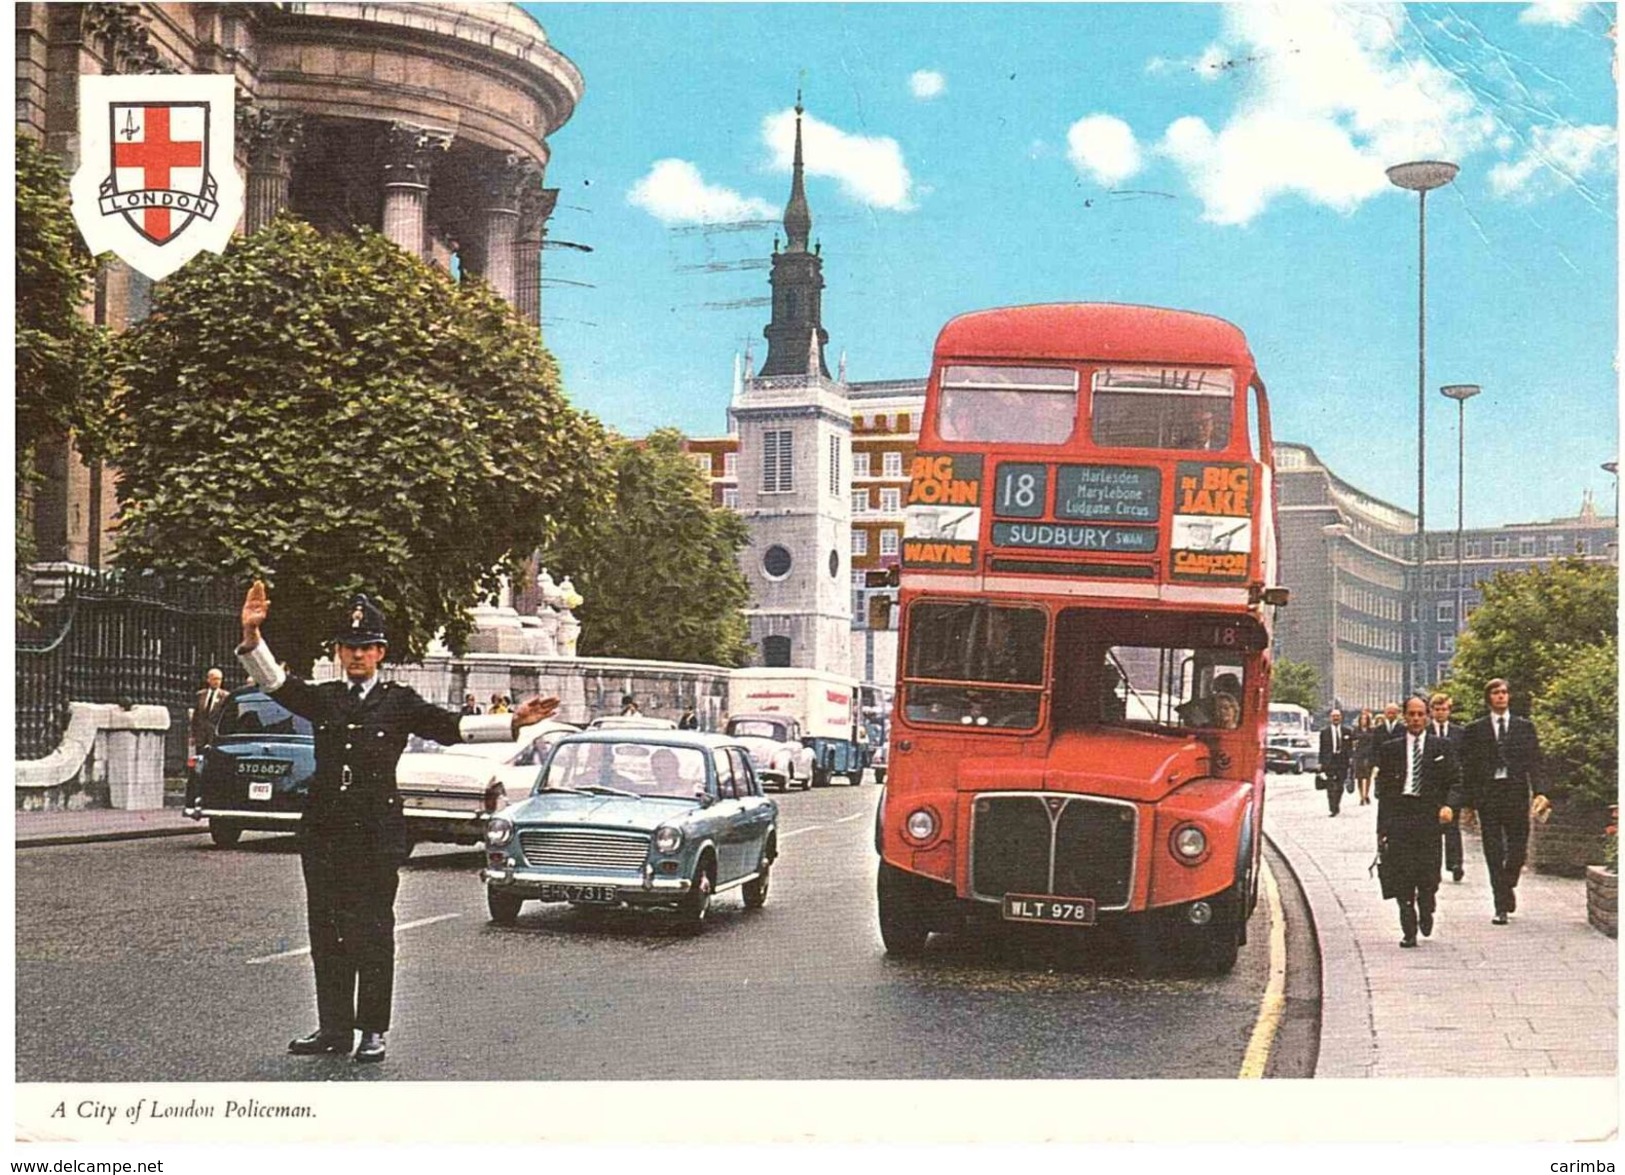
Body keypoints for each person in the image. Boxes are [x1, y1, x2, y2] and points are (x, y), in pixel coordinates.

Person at [235, 581, 558, 1063]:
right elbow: (276, 685)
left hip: (374, 833)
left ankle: (371, 1029)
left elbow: (451, 728)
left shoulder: (397, 701)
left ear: (380, 652)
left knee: (371, 930)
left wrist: (514, 721)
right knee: (327, 930)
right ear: (339, 652)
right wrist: (252, 635)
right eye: (349, 647)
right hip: (325, 832)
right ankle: (333, 1028)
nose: (357, 655)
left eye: (366, 647)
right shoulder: (324, 698)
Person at [1374, 696, 1464, 948]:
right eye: (1411, 714)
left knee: (1428, 873)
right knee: (1402, 871)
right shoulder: (1390, 749)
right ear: (1404, 716)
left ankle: (1427, 904)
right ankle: (1408, 925)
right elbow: (1383, 791)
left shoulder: (1442, 747)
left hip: (1429, 815)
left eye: (1420, 714)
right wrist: (1382, 829)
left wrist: (1449, 805)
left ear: (1427, 716)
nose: (1415, 719)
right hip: (1400, 815)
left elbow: (1456, 781)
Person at [1461, 678, 1550, 924]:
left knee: (1518, 847)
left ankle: (1508, 882)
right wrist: (1467, 803)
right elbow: (1467, 768)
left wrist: (1541, 791)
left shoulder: (1524, 727)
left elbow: (1535, 762)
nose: (1500, 696)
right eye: (1495, 693)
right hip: (1488, 795)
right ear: (1488, 698)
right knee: (1492, 848)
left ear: (1509, 697)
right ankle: (1500, 903)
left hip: (1515, 792)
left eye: (1504, 692)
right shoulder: (1475, 730)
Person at [1429, 692, 1467, 881]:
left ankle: (1455, 863)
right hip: (1431, 787)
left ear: (1449, 711)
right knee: (1433, 828)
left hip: (1453, 785)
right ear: (1431, 711)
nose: (1441, 713)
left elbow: (1465, 759)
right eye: (1437, 710)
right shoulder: (1426, 731)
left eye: (1444, 709)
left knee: (1453, 826)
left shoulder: (1459, 733)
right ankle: (1433, 865)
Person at [186, 668, 229, 808]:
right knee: (199, 766)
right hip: (201, 737)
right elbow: (196, 717)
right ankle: (196, 796)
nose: (217, 682)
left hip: (215, 738)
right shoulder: (200, 695)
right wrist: (192, 735)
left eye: (219, 679)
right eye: (214, 679)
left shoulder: (225, 696)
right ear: (208, 679)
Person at [1318, 708, 1354, 817]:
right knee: (1330, 785)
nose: (1336, 718)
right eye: (1334, 716)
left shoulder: (1347, 731)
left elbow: (1350, 747)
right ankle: (1332, 807)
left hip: (1342, 760)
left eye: (1338, 716)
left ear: (1341, 717)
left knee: (1340, 785)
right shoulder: (1325, 732)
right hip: (1329, 760)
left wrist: (1351, 758)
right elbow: (1322, 748)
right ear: (1330, 718)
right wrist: (1320, 762)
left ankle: (1337, 803)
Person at [1351, 709, 1378, 806]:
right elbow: (1352, 742)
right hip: (1359, 755)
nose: (1363, 721)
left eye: (1365, 719)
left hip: (1368, 755)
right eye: (1362, 719)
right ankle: (1361, 796)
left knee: (1367, 776)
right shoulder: (1355, 730)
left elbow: (1375, 743)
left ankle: (1366, 794)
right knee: (1359, 777)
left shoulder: (1372, 730)